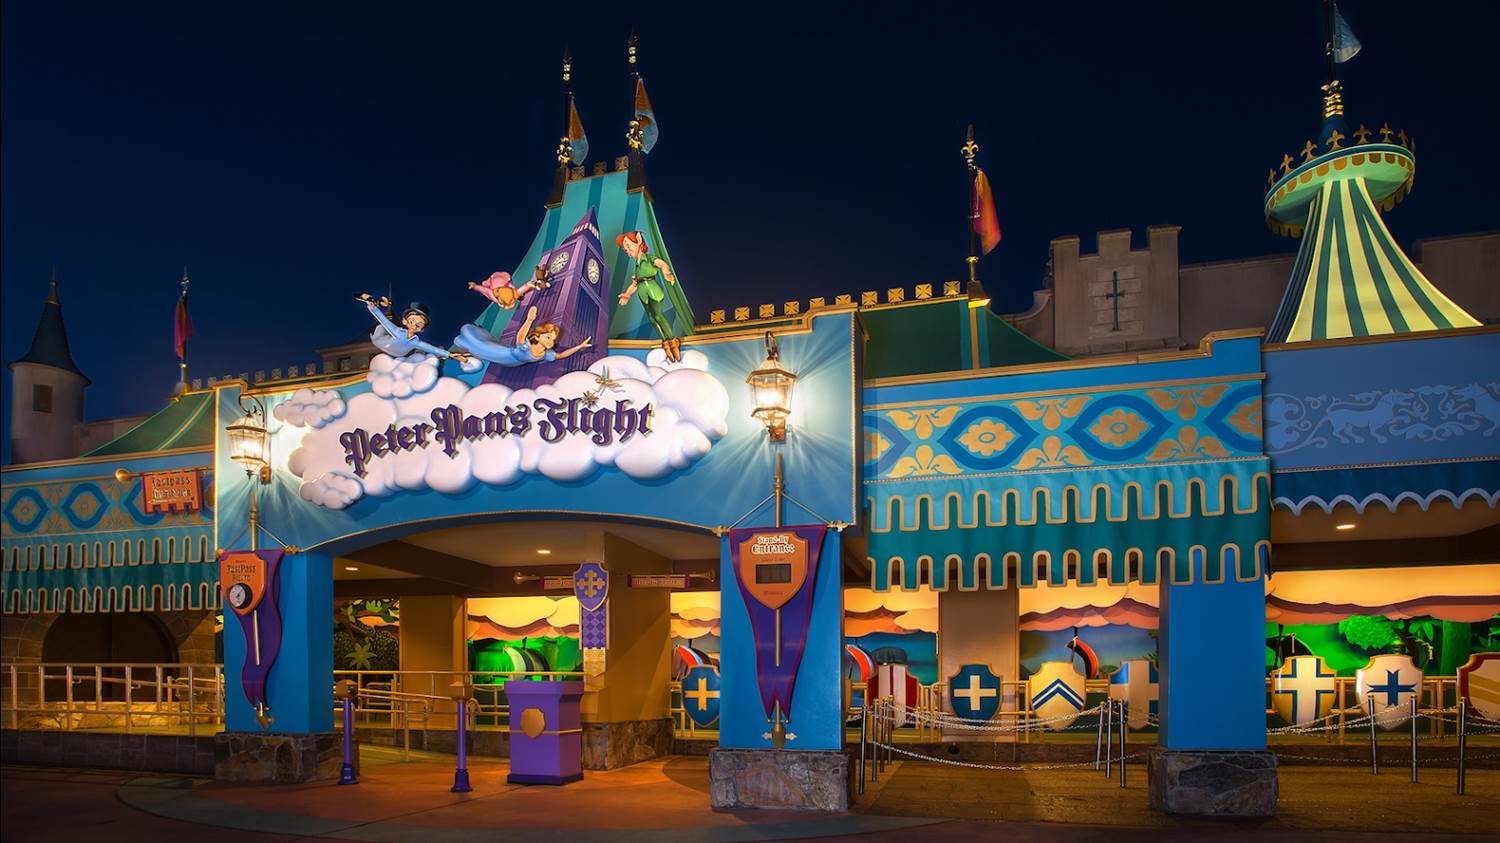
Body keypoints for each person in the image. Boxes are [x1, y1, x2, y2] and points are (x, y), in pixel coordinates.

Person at [615, 231, 682, 362]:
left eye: (629, 246)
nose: (627, 250)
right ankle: (665, 343)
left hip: (653, 292)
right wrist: (627, 294)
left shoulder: (649, 258)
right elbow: (635, 284)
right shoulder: (637, 266)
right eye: (625, 249)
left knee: (658, 315)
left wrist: (667, 273)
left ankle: (673, 341)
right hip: (643, 294)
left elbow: (662, 264)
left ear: (639, 241)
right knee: (651, 318)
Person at [454, 305, 591, 367]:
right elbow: (520, 337)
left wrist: (579, 346)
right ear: (538, 337)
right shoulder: (527, 345)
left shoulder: (545, 354)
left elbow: (561, 355)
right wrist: (529, 320)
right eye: (548, 337)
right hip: (503, 354)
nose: (551, 342)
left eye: (553, 340)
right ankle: (466, 336)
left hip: (513, 364)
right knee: (479, 345)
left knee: (480, 348)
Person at [357, 294, 464, 360]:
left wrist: (449, 355)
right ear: (405, 321)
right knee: (382, 326)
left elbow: (431, 348)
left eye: (419, 324)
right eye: (412, 321)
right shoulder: (398, 332)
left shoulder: (415, 342)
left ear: (422, 329)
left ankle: (380, 303)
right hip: (383, 342)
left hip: (398, 353)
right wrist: (372, 307)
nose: (414, 325)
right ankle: (376, 302)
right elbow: (384, 320)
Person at [467, 266, 551, 310]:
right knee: (485, 283)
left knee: (512, 286)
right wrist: (475, 286)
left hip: (504, 280)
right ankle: (487, 282)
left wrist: (529, 285)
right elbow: (483, 290)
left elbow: (520, 290)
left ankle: (515, 292)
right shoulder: (492, 295)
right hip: (494, 280)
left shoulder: (512, 292)